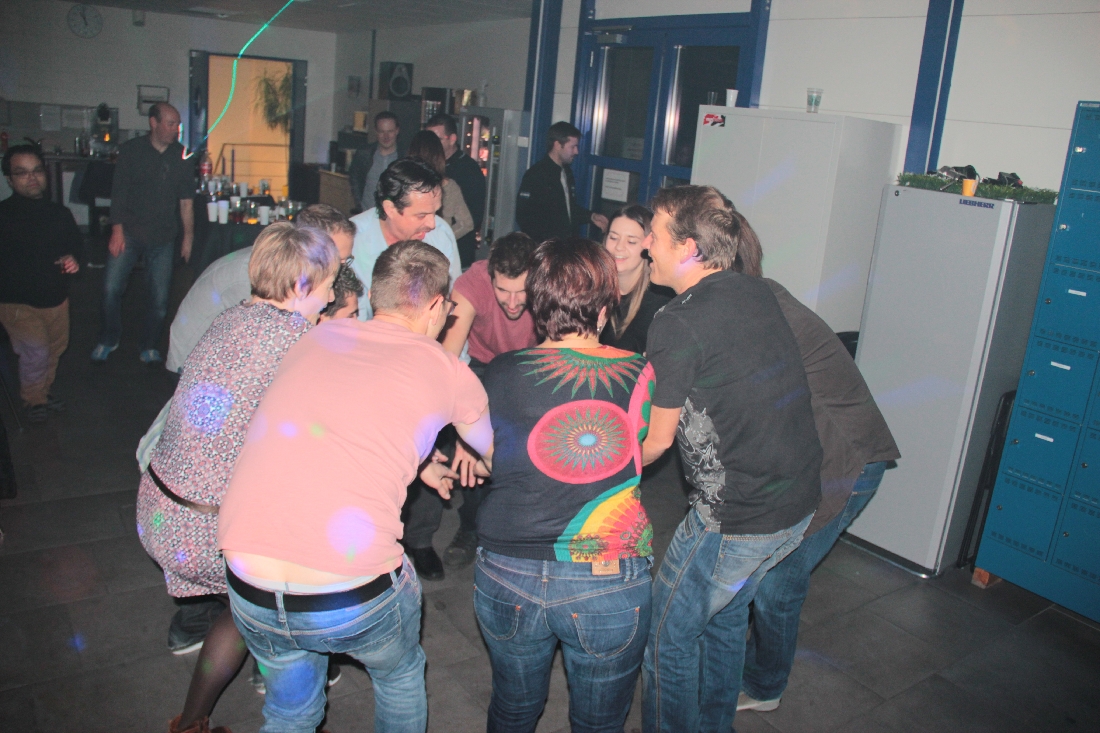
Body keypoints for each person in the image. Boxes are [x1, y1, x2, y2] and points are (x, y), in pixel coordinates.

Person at [218, 241, 493, 733]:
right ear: (435, 305)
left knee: (290, 714)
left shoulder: (317, 337)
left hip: (247, 575)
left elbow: (338, 419)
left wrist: (419, 460)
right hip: (347, 592)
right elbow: (495, 453)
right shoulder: (450, 370)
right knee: (400, 674)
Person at [695, 212, 900, 729]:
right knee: (764, 576)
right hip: (814, 456)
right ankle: (744, 666)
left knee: (777, 584)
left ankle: (764, 686)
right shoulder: (751, 304)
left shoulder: (764, 315)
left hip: (846, 460)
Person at [136, 223, 340, 733]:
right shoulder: (300, 342)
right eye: (329, 283)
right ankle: (228, 706)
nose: (334, 296)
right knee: (268, 599)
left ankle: (197, 717)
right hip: (204, 530)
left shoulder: (230, 318)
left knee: (245, 602)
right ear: (302, 286)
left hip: (158, 504)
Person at [637, 185, 823, 733]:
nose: (646, 245)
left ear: (688, 247)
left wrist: (590, 472)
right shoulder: (754, 290)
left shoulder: (677, 321)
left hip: (737, 518)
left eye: (654, 234)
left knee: (667, 635)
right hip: (797, 505)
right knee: (723, 617)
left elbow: (656, 441)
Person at [472, 237, 654, 733]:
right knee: (599, 722)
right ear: (605, 307)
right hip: (607, 573)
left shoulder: (500, 371)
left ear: (537, 305)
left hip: (507, 567)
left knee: (513, 708)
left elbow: (491, 458)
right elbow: (645, 446)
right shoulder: (640, 371)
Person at [414, 232, 538, 571]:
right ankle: (464, 529)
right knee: (458, 447)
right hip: (481, 366)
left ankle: (520, 528)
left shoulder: (547, 282)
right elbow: (447, 363)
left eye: (521, 292)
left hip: (530, 366)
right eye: (503, 290)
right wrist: (465, 429)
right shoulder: (472, 283)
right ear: (491, 276)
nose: (512, 303)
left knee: (521, 445)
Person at [166, 205, 355, 374]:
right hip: (189, 363)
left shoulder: (279, 266)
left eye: (346, 260)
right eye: (336, 258)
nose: (341, 268)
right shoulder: (258, 277)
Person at [92, 102, 194, 365]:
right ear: (153, 123)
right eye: (170, 123)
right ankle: (109, 338)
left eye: (177, 124)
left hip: (163, 237)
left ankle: (148, 345)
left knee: (159, 301)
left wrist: (188, 237)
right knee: (110, 289)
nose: (176, 129)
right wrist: (116, 230)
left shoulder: (181, 156)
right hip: (129, 232)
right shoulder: (131, 151)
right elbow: (119, 193)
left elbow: (186, 201)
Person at [0, 144, 81, 423]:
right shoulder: (3, 215)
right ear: (10, 180)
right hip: (17, 302)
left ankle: (42, 393)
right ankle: (32, 399)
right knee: (36, 351)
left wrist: (73, 259)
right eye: (22, 173)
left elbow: (75, 246)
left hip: (55, 298)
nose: (31, 177)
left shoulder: (59, 213)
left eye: (36, 170)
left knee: (55, 348)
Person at [348, 158, 462, 321]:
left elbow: (453, 301)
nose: (432, 224)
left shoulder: (441, 234)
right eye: (421, 215)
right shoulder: (352, 241)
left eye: (435, 212)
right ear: (390, 209)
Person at [516, 121, 608, 242]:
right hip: (548, 247)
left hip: (566, 245)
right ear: (558, 145)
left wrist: (591, 216)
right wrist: (545, 244)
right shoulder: (536, 175)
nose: (576, 151)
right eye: (572, 147)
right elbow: (524, 216)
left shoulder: (566, 172)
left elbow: (568, 209)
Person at [598, 204, 672, 355]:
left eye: (631, 241)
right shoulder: (591, 291)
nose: (619, 247)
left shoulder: (660, 300)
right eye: (613, 238)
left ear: (649, 246)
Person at [426, 113, 486, 268]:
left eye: (436, 139)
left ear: (452, 139)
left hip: (457, 251)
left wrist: (440, 238)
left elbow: (472, 218)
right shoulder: (429, 165)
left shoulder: (468, 170)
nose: (431, 145)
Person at [407, 129, 474, 242]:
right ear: (439, 156)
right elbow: (466, 224)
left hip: (408, 247)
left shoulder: (404, 185)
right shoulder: (449, 187)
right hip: (435, 250)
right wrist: (442, 240)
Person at [348, 110, 402, 212]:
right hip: (367, 213)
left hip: (396, 216)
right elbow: (355, 180)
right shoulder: (364, 154)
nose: (386, 136)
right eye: (382, 131)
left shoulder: (404, 157)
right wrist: (359, 204)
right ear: (376, 132)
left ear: (397, 131)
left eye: (390, 131)